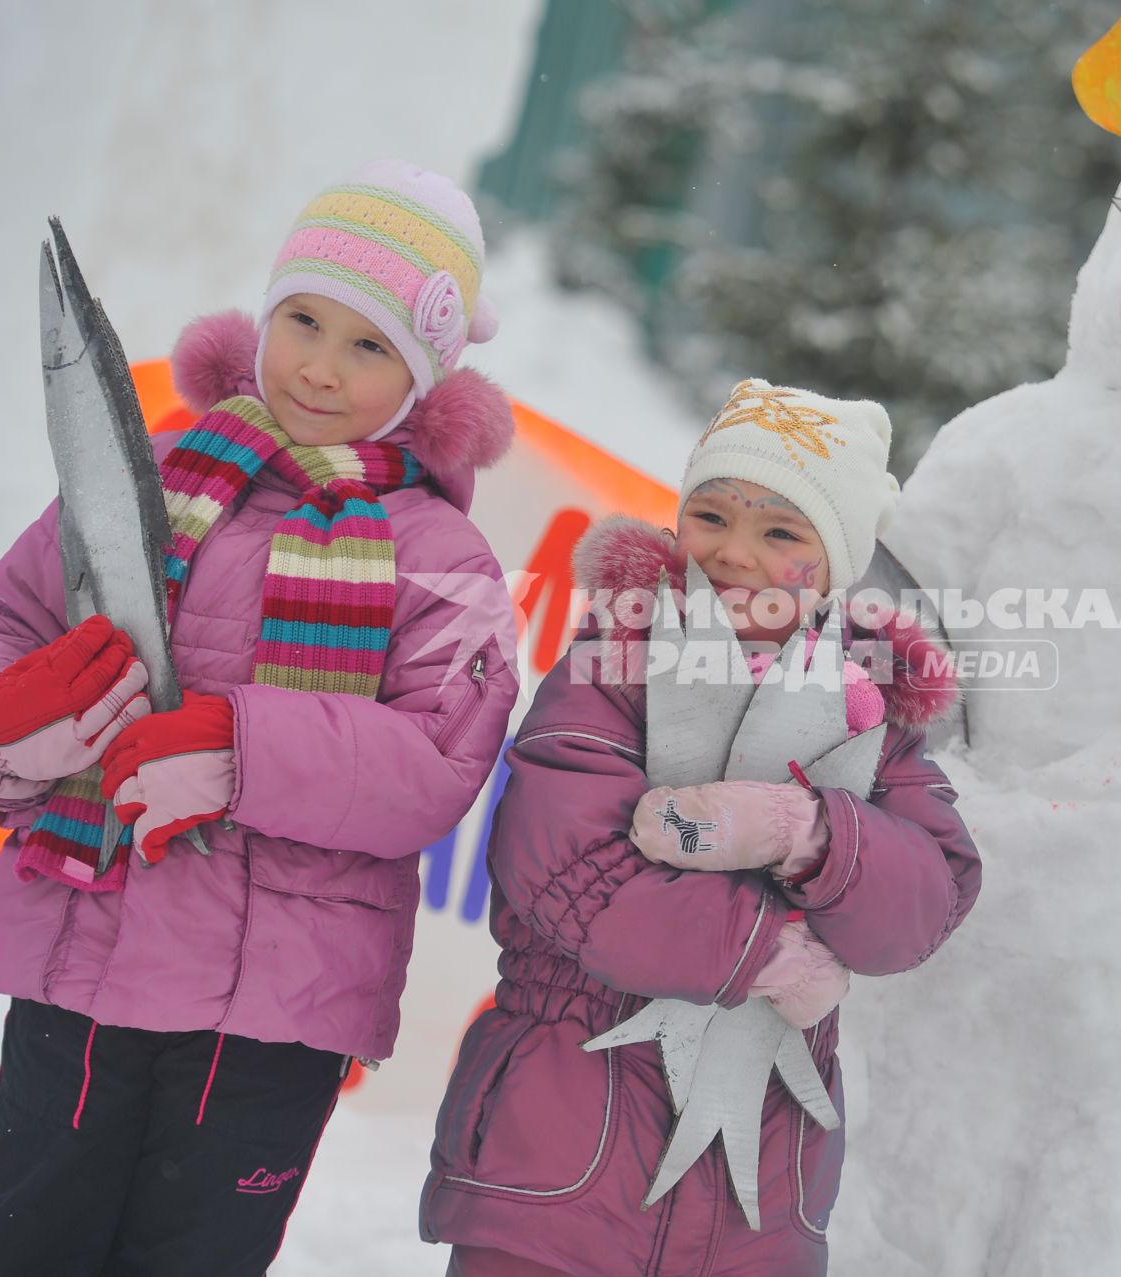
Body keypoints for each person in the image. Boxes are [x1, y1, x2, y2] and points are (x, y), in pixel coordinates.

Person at [0, 160, 521, 1277]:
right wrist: (12, 717)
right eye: (303, 319)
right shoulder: (146, 473)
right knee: (16, 1241)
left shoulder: (446, 557)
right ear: (263, 316)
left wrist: (239, 748)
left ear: (426, 375)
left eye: (368, 345)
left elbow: (440, 761)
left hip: (268, 1021)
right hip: (83, 960)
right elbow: (1, 622)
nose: (321, 367)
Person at [421, 378, 982, 1276]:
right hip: (562, 1151)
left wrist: (812, 835)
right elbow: (567, 868)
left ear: (833, 567)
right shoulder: (615, 664)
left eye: (781, 533)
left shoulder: (870, 717)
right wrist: (766, 950)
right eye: (711, 516)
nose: (734, 554)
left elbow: (927, 901)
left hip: (753, 1197)